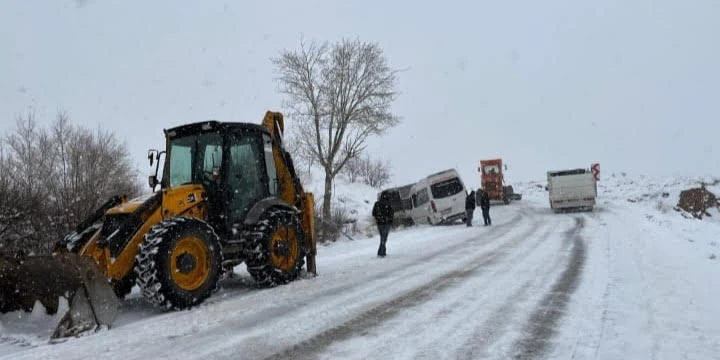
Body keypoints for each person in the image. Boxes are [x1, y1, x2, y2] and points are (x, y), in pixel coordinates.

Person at [372, 192, 394, 257]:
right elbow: (392, 214)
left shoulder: (377, 204)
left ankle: (382, 252)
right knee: (384, 238)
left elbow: (373, 213)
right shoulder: (388, 204)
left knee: (382, 237)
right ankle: (381, 252)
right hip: (386, 223)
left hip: (379, 223)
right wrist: (390, 220)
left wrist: (378, 218)